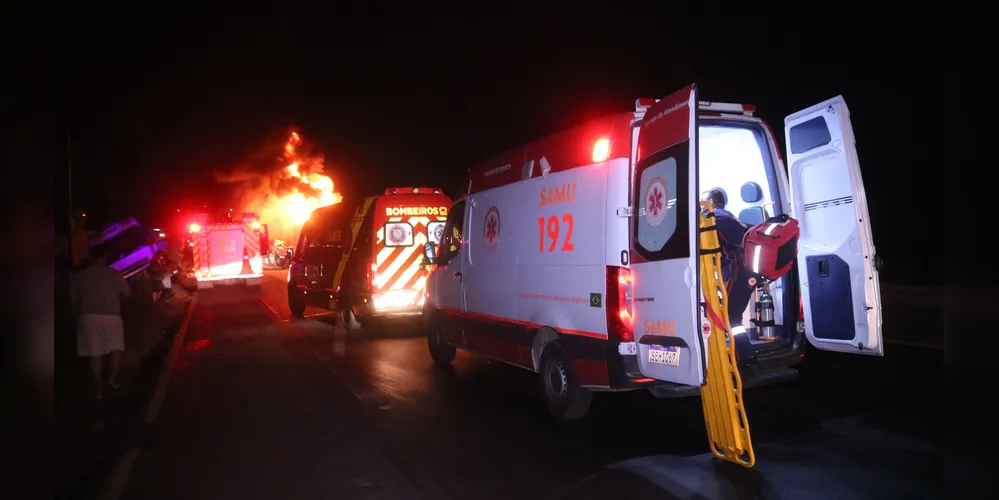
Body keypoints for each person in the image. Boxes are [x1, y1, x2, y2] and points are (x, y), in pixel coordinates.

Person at [70, 243, 131, 400]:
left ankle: (98, 391)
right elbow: (127, 294)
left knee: (95, 354)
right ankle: (113, 378)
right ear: (104, 258)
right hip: (112, 316)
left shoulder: (79, 277)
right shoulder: (114, 274)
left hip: (88, 318)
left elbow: (73, 301)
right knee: (116, 347)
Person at [701, 188, 753, 329]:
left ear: (710, 202)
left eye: (703, 202)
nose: (701, 207)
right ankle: (737, 348)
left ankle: (740, 350)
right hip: (743, 274)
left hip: (733, 274)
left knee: (730, 319)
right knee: (733, 318)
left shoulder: (714, 218)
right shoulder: (729, 217)